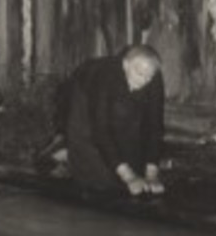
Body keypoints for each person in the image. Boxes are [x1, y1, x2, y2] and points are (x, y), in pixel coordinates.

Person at [54, 44, 166, 197]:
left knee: (134, 172)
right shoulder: (105, 77)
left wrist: (151, 174)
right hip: (83, 95)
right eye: (140, 74)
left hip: (115, 100)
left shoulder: (152, 76)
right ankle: (64, 154)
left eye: (149, 76)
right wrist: (129, 176)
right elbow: (101, 130)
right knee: (104, 183)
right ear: (126, 65)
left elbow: (155, 124)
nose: (144, 81)